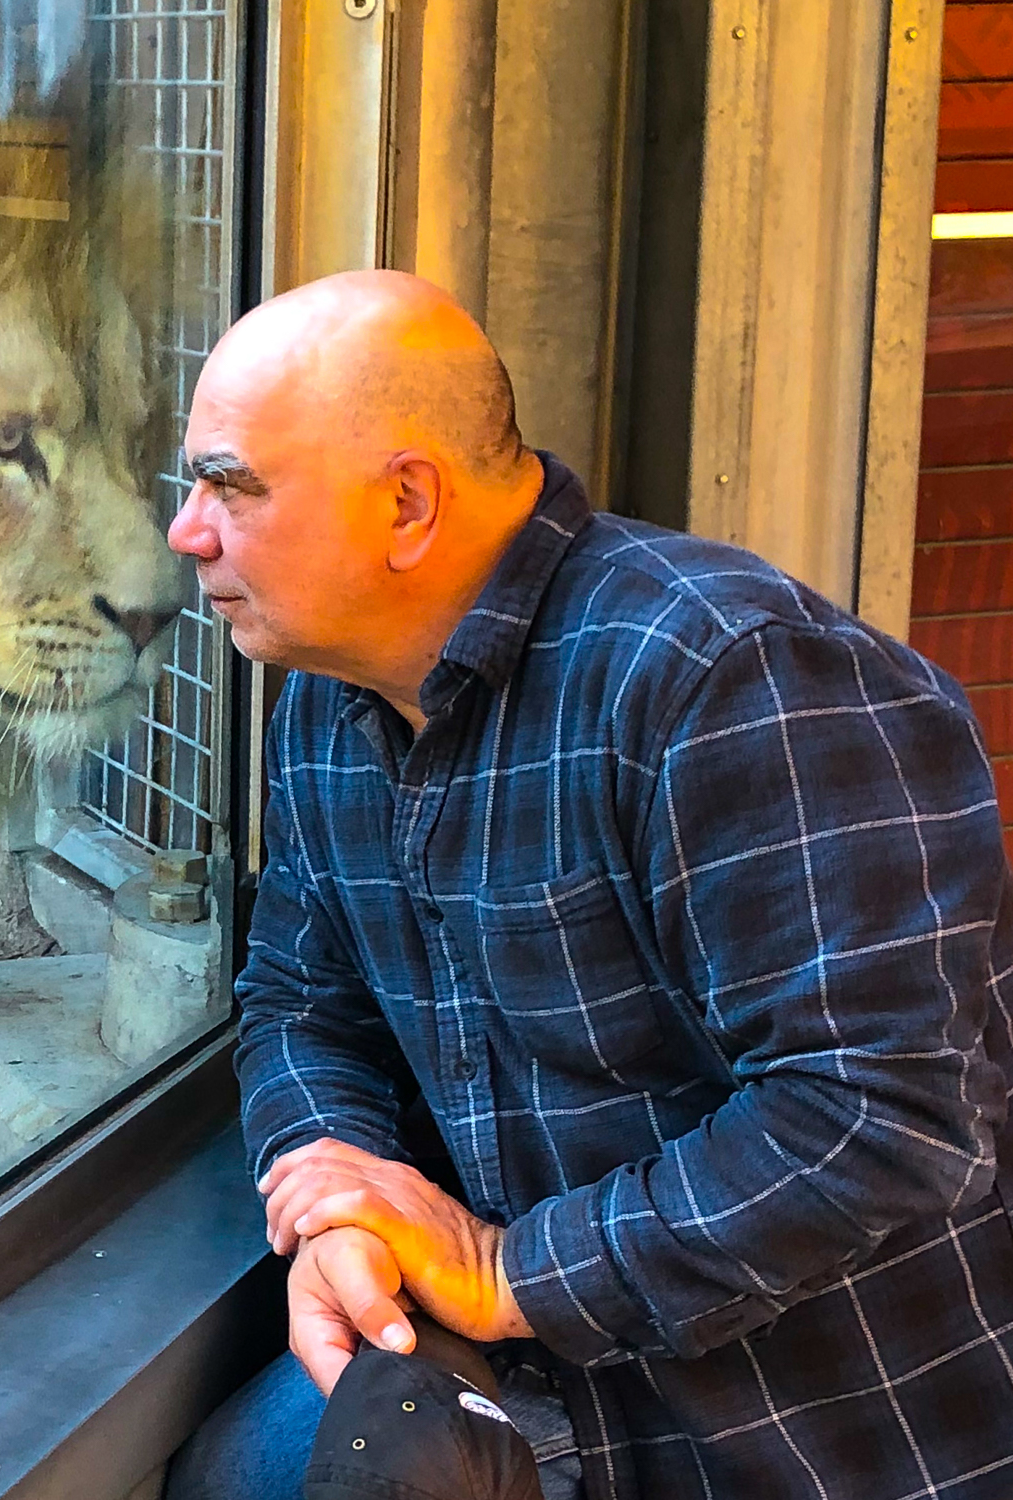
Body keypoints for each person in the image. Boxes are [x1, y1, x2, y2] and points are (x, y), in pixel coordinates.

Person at [161, 270, 1013, 1500]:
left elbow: (877, 1119)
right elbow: (302, 998)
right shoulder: (326, 708)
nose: (187, 532)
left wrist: (508, 1276)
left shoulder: (728, 680)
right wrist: (333, 1189)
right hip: (520, 1392)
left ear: (406, 503)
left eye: (230, 485)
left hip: (803, 1436)